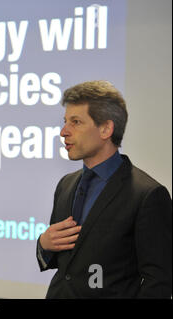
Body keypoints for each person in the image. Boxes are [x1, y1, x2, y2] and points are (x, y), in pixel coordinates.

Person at [36, 80, 172, 298]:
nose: (63, 132)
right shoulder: (65, 185)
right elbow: (63, 264)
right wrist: (44, 244)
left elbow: (158, 283)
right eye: (65, 122)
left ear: (106, 129)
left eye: (76, 122)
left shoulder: (147, 195)